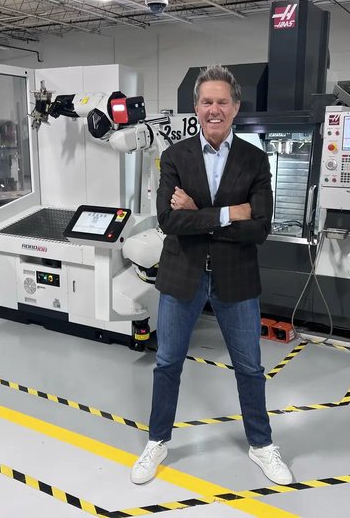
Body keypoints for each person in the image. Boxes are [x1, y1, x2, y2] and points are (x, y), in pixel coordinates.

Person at [130, 65, 293, 486]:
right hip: (182, 274)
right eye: (207, 102)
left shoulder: (255, 160)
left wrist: (199, 213)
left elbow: (259, 228)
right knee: (167, 363)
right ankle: (157, 441)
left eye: (222, 101)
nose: (214, 109)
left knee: (250, 367)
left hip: (235, 277)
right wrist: (230, 213)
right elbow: (169, 221)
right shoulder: (175, 157)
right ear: (196, 107)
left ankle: (261, 445)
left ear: (236, 107)